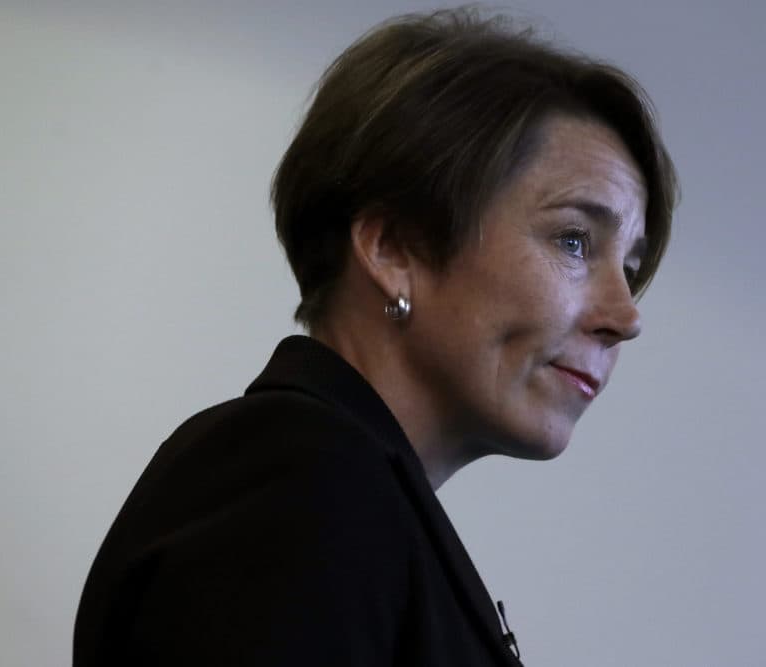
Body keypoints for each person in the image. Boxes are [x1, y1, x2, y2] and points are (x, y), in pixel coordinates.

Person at [74, 7, 678, 666]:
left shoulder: (347, 492)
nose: (626, 315)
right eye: (573, 239)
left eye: (631, 267)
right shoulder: (301, 478)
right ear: (392, 248)